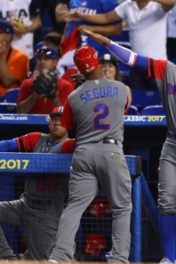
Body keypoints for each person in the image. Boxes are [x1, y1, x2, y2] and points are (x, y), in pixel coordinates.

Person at [82, 29, 176, 264]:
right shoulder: (168, 69)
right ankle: (169, 257)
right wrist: (109, 43)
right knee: (167, 202)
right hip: (173, 142)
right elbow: (134, 60)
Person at [48, 45, 133, 263]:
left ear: (78, 68)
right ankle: (119, 259)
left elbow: (67, 127)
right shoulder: (122, 88)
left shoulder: (74, 97)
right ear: (97, 62)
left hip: (83, 152)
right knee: (122, 207)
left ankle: (58, 256)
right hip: (111, 150)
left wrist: (83, 89)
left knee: (75, 206)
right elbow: (122, 110)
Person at [0, 106, 75, 261]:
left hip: (47, 212)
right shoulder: (36, 138)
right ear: (48, 122)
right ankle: (7, 257)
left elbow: (87, 143)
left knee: (40, 260)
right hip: (24, 203)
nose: (57, 122)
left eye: (61, 119)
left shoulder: (70, 146)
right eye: (54, 119)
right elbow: (8, 145)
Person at [17, 44, 74, 114]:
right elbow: (20, 113)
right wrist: (35, 94)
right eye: (39, 58)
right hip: (32, 124)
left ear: (55, 62)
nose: (42, 61)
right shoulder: (27, 84)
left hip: (55, 124)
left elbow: (67, 116)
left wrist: (54, 97)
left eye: (46, 58)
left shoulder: (65, 86)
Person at [0, 20, 29, 95]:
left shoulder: (21, 57)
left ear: (8, 37)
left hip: (7, 102)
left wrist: (1, 55)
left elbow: (7, 82)